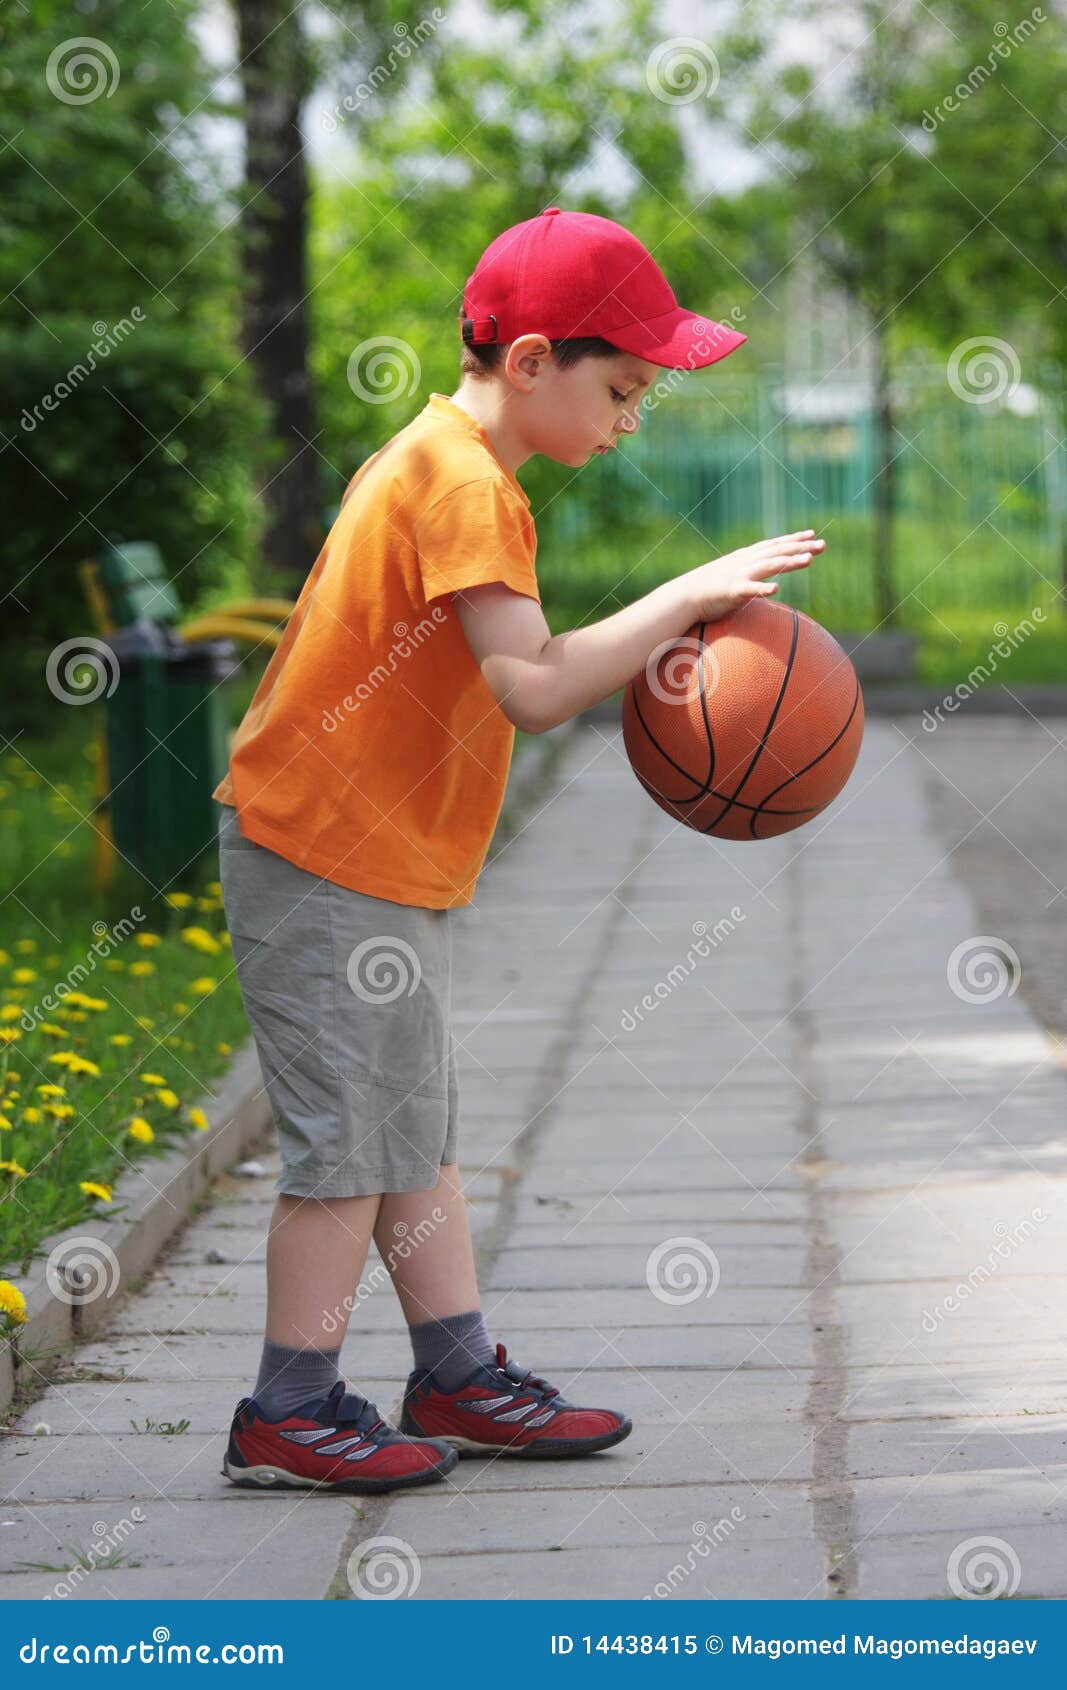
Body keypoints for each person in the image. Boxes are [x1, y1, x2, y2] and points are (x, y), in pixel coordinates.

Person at [215, 206, 824, 1493]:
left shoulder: (456, 465)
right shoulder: (461, 482)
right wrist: (688, 594)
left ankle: (455, 1371)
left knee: (410, 1132)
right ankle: (288, 1403)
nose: (629, 417)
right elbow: (532, 686)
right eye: (622, 387)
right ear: (533, 359)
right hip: (322, 859)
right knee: (345, 1150)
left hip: (367, 861)